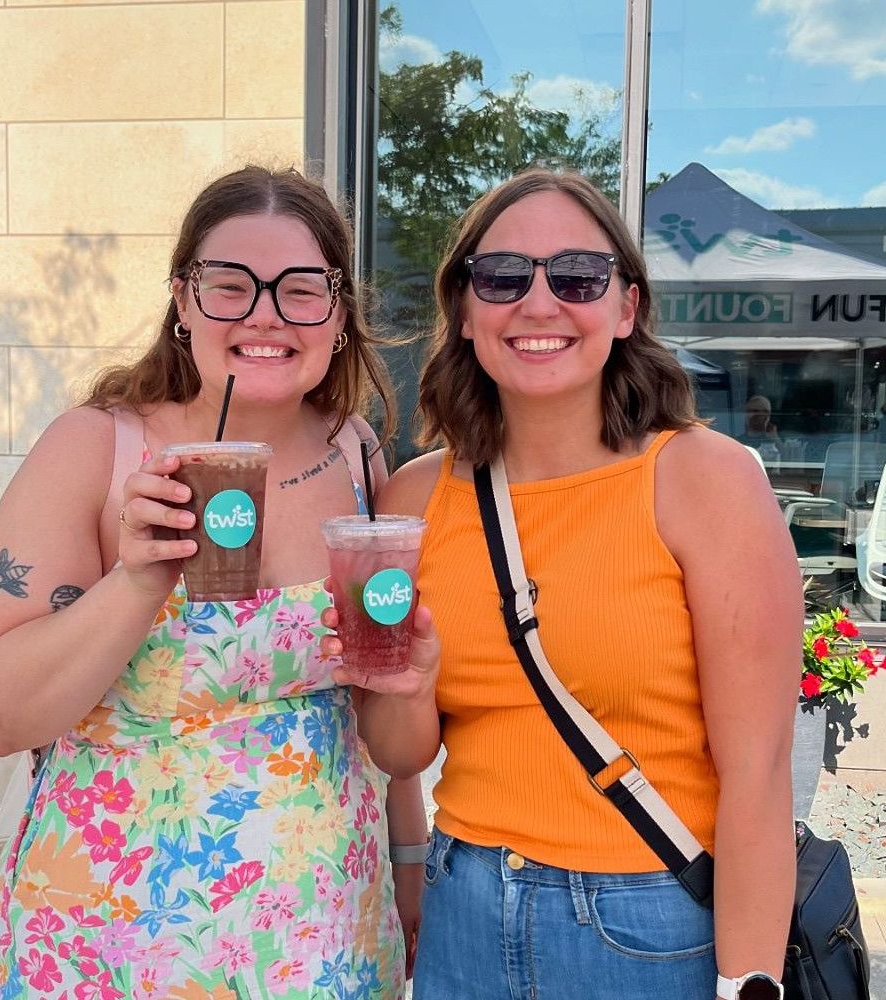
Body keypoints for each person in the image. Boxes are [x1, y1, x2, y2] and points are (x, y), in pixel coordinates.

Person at [321, 168, 802, 1000]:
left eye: (577, 275)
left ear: (626, 307)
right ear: (465, 311)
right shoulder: (416, 497)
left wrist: (748, 986)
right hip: (462, 911)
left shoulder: (704, 479)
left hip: (646, 925)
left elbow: (758, 774)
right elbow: (399, 752)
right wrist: (406, 685)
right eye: (503, 276)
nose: (538, 304)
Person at [0, 165, 427, 1000]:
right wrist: (138, 582)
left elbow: (370, 708)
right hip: (115, 938)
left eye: (301, 289)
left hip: (325, 936)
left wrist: (411, 874)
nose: (265, 315)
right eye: (229, 285)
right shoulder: (95, 448)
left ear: (339, 312)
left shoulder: (354, 450)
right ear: (183, 301)